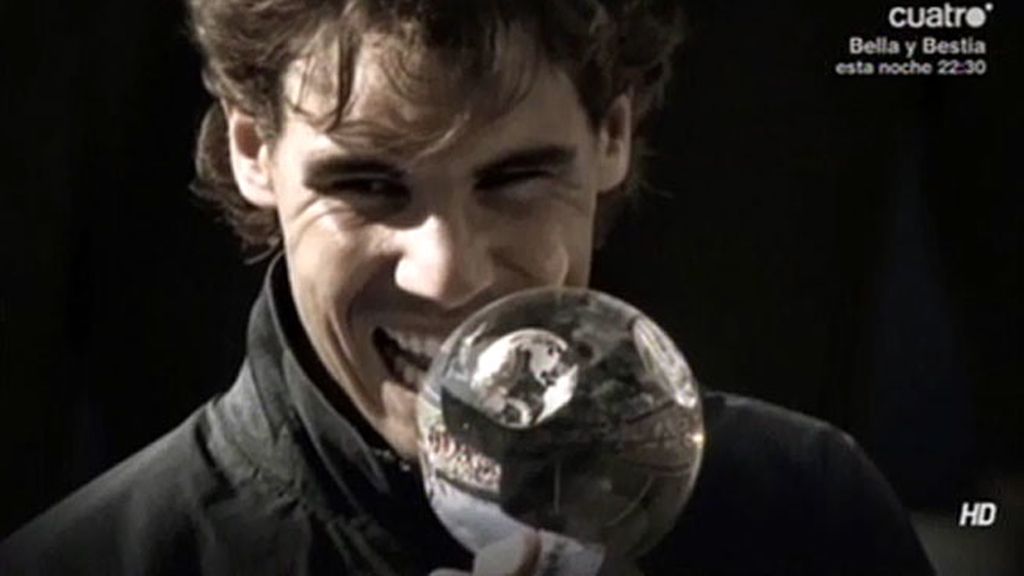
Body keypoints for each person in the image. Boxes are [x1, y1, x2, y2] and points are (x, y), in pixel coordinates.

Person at [0, 0, 934, 574]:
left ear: (612, 135)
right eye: (369, 186)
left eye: (514, 179)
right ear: (253, 149)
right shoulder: (86, 563)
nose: (449, 275)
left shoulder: (809, 514)